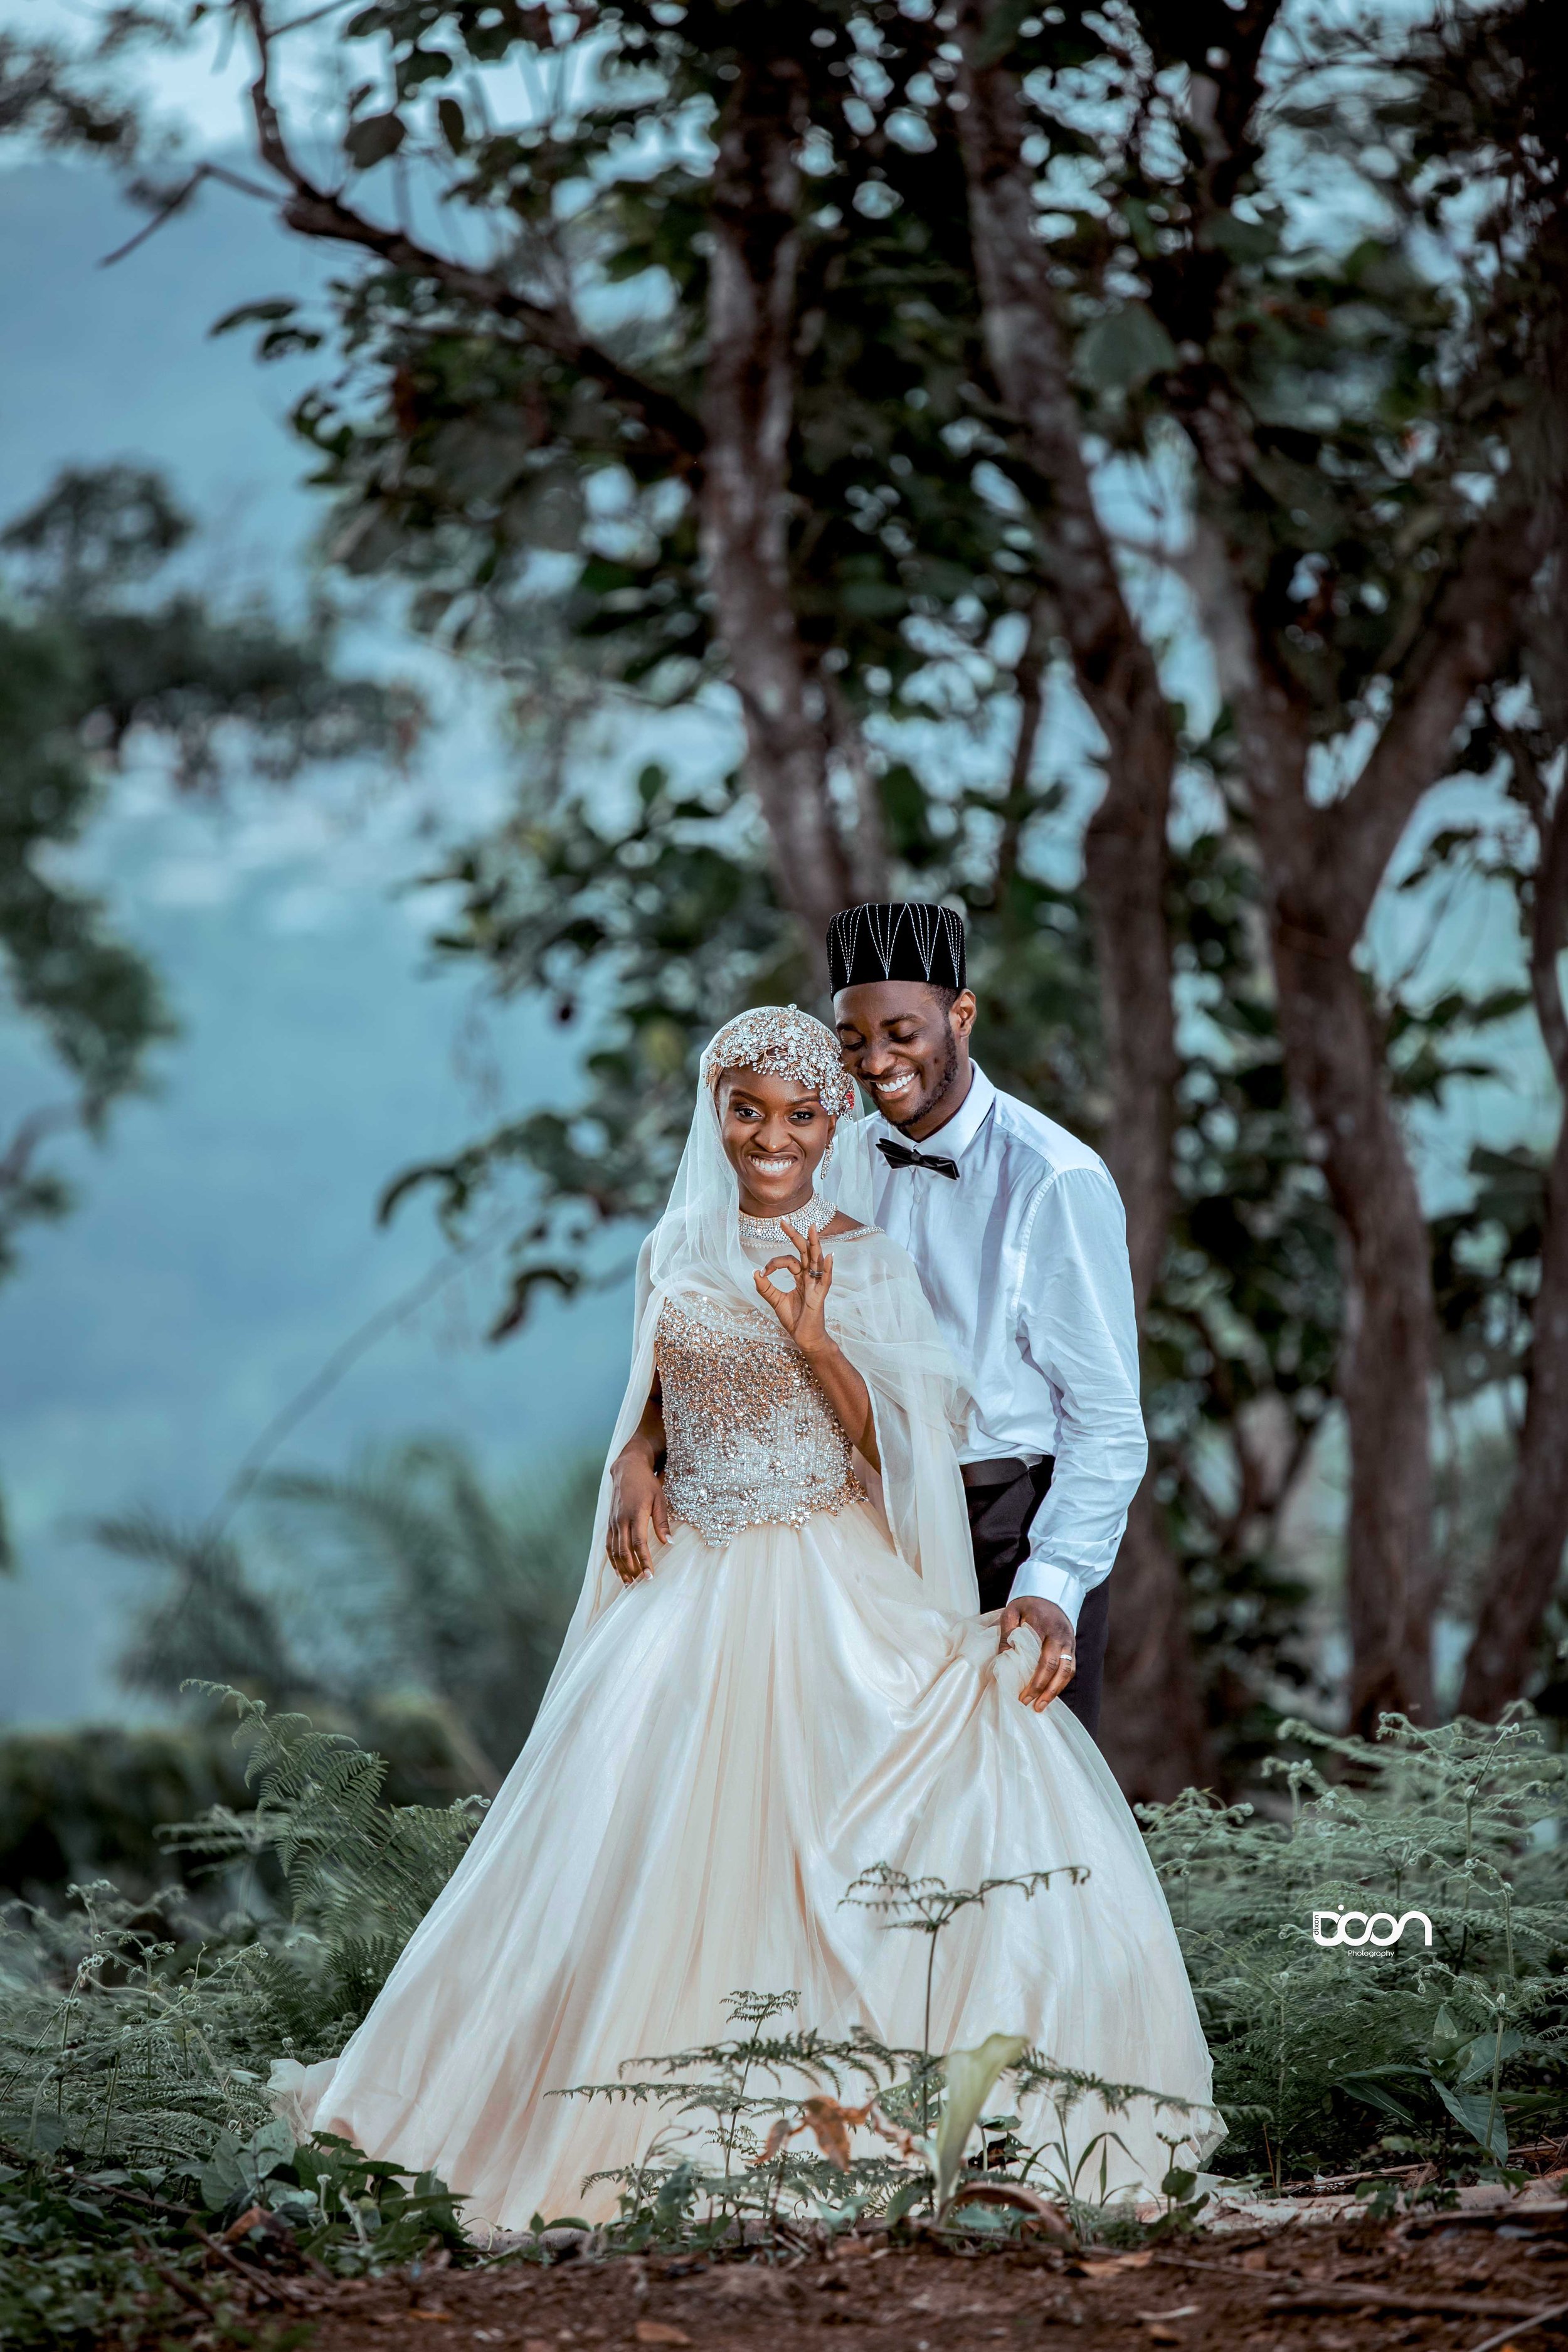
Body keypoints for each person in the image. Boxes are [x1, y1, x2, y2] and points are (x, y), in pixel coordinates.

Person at [273, 1009, 1214, 2232]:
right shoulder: (673, 1243)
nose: (772, 1137)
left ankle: (853, 2108)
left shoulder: (866, 1256)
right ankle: (616, 2105)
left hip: (826, 1574)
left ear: (835, 1123)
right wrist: (634, 1461)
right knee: (640, 1839)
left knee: (844, 1832)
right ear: (713, 1112)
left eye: (801, 1114)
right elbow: (655, 1391)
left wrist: (816, 1341)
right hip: (691, 1589)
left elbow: (905, 1450)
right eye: (747, 1110)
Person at [827, 903, 1147, 1740]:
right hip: (871, 1539)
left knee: (1022, 1803)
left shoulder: (1055, 1179)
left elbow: (1107, 1420)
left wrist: (1054, 1581)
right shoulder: (837, 1161)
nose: (876, 1062)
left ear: (962, 1015)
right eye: (853, 1039)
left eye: (902, 1033)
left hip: (1007, 1532)